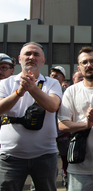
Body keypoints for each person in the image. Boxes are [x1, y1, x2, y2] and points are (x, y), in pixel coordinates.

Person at [0, 42, 62, 190]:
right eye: (28, 54)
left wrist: (32, 88)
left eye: (36, 54)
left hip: (45, 155)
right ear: (20, 58)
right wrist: (19, 92)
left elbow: (52, 106)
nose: (31, 57)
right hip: (10, 155)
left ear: (43, 61)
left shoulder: (51, 83)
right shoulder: (5, 83)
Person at [58, 47, 93, 191]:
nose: (89, 65)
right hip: (79, 169)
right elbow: (62, 125)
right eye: (84, 62)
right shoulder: (71, 91)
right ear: (79, 68)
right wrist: (86, 124)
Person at [50, 65, 69, 187]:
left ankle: (67, 178)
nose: (53, 77)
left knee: (65, 157)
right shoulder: (45, 90)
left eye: (57, 75)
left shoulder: (67, 93)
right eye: (52, 75)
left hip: (63, 132)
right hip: (48, 133)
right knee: (49, 160)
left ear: (62, 78)